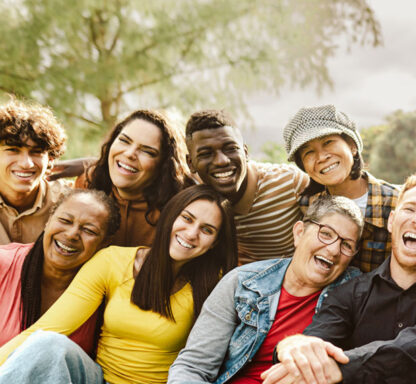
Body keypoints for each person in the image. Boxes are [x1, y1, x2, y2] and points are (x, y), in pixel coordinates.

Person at [262, 170, 416, 384]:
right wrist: (294, 346)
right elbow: (316, 343)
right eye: (410, 209)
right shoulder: (348, 294)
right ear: (391, 222)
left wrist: (339, 369)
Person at [0, 185, 238, 384]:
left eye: (207, 230)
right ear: (171, 215)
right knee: (48, 343)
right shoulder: (112, 261)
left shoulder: (216, 286)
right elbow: (50, 328)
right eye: (187, 218)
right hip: (98, 378)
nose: (191, 233)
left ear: (215, 243)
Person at [167, 195, 363, 383]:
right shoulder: (242, 283)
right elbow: (193, 366)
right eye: (326, 234)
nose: (334, 250)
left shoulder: (356, 292)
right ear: (299, 232)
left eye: (346, 245)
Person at [0, 189, 119, 353]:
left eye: (89, 230)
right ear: (48, 220)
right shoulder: (4, 264)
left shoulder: (108, 293)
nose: (71, 235)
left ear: (104, 243)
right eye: (65, 220)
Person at [283, 104, 399, 273]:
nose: (322, 157)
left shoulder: (396, 202)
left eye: (328, 142)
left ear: (352, 146)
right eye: (308, 152)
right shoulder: (308, 205)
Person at [185, 109, 309, 264]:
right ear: (191, 163)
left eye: (230, 149)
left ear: (245, 152)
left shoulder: (289, 182)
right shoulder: (190, 202)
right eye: (205, 153)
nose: (221, 161)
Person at [77, 109, 189, 247]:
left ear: (164, 164)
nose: (130, 154)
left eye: (147, 151)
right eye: (124, 140)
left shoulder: (181, 209)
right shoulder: (87, 182)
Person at [0, 99, 69, 244]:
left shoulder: (67, 201)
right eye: (13, 150)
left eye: (36, 152)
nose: (26, 163)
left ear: (50, 159)